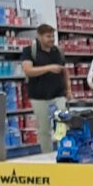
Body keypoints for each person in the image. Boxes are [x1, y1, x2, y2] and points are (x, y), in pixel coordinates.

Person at [20, 23, 69, 152]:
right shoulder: (30, 51)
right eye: (48, 36)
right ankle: (47, 155)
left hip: (58, 95)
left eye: (53, 36)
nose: (52, 39)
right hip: (39, 97)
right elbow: (28, 70)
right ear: (39, 36)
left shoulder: (58, 51)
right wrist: (49, 68)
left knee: (62, 125)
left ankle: (64, 151)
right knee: (44, 129)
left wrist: (68, 90)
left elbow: (65, 71)